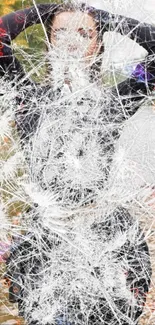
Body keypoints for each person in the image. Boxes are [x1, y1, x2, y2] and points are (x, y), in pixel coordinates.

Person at [1, 2, 154, 325]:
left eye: (85, 34)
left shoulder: (114, 104)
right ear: (49, 41)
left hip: (109, 240)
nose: (73, 41)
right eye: (62, 33)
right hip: (46, 239)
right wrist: (44, 11)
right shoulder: (27, 99)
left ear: (98, 45)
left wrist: (108, 20)